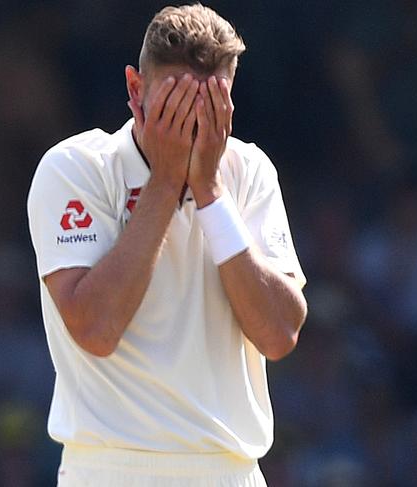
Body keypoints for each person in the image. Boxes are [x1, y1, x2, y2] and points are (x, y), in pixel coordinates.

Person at [27, 4, 308, 486]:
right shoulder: (76, 168)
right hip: (110, 469)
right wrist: (165, 181)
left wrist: (211, 192)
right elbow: (95, 328)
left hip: (231, 471)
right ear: (136, 90)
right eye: (174, 104)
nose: (190, 125)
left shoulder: (249, 171)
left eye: (209, 107)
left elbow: (280, 333)